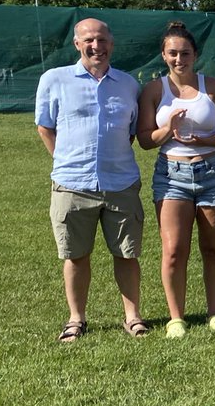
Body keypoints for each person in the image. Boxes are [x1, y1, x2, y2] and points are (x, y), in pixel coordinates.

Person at [36, 18, 149, 341]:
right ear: (76, 44)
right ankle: (76, 319)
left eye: (101, 40)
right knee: (75, 255)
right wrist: (64, 161)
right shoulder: (54, 79)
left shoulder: (128, 84)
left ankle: (133, 317)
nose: (95, 46)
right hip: (72, 184)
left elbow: (129, 132)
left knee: (127, 254)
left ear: (112, 44)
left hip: (121, 184)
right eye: (88, 40)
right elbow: (45, 126)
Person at [136, 21, 215, 337]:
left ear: (195, 54)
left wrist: (204, 140)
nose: (179, 59)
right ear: (163, 55)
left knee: (213, 247)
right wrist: (169, 128)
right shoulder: (155, 90)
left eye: (184, 53)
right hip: (172, 175)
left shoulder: (213, 87)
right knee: (173, 250)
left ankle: (214, 313)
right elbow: (144, 139)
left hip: (214, 174)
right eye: (172, 53)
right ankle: (176, 318)